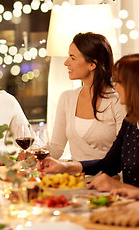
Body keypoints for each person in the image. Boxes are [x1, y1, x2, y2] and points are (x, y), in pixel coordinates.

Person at [37, 54, 139, 193]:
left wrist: (121, 188)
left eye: (118, 81)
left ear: (138, 86)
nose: (114, 85)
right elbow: (109, 164)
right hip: (129, 205)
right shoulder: (132, 120)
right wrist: (65, 167)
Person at [47, 32, 126, 161]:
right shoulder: (67, 98)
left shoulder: (117, 101)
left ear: (92, 64)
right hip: (76, 179)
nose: (66, 63)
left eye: (73, 58)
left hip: (109, 179)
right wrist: (33, 155)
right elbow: (56, 148)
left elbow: (124, 153)